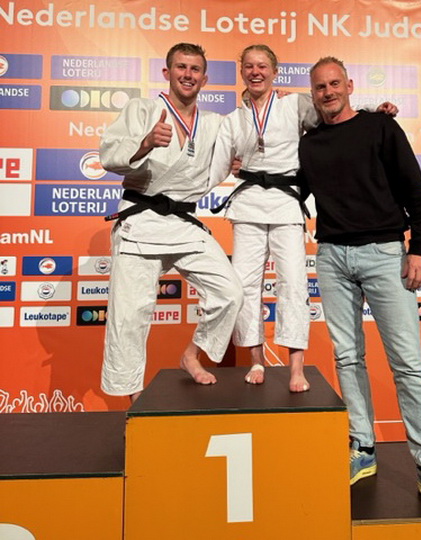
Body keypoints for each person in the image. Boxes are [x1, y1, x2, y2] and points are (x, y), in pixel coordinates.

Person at [298, 57, 421, 518]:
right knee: (347, 358)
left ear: (350, 85)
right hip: (331, 256)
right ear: (312, 94)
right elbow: (291, 190)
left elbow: (417, 191)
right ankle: (363, 446)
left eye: (335, 83)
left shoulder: (381, 127)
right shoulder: (308, 144)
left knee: (408, 363)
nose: (328, 92)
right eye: (320, 87)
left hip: (386, 253)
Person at [210, 44, 397, 392]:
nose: (255, 72)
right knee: (245, 284)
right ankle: (256, 359)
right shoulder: (232, 120)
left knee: (294, 283)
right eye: (249, 66)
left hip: (286, 202)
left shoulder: (294, 104)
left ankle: (296, 367)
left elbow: (334, 113)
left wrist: (375, 110)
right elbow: (216, 167)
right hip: (248, 204)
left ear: (274, 71)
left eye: (262, 66)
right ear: (242, 72)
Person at [99, 43, 243, 402]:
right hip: (141, 220)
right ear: (167, 73)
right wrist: (145, 143)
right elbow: (109, 156)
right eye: (181, 67)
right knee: (129, 317)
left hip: (183, 221)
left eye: (195, 69)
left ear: (204, 78)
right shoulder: (142, 110)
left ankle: (192, 354)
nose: (187, 75)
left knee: (229, 292)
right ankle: (133, 402)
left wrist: (278, 106)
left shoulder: (214, 124)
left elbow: (249, 135)